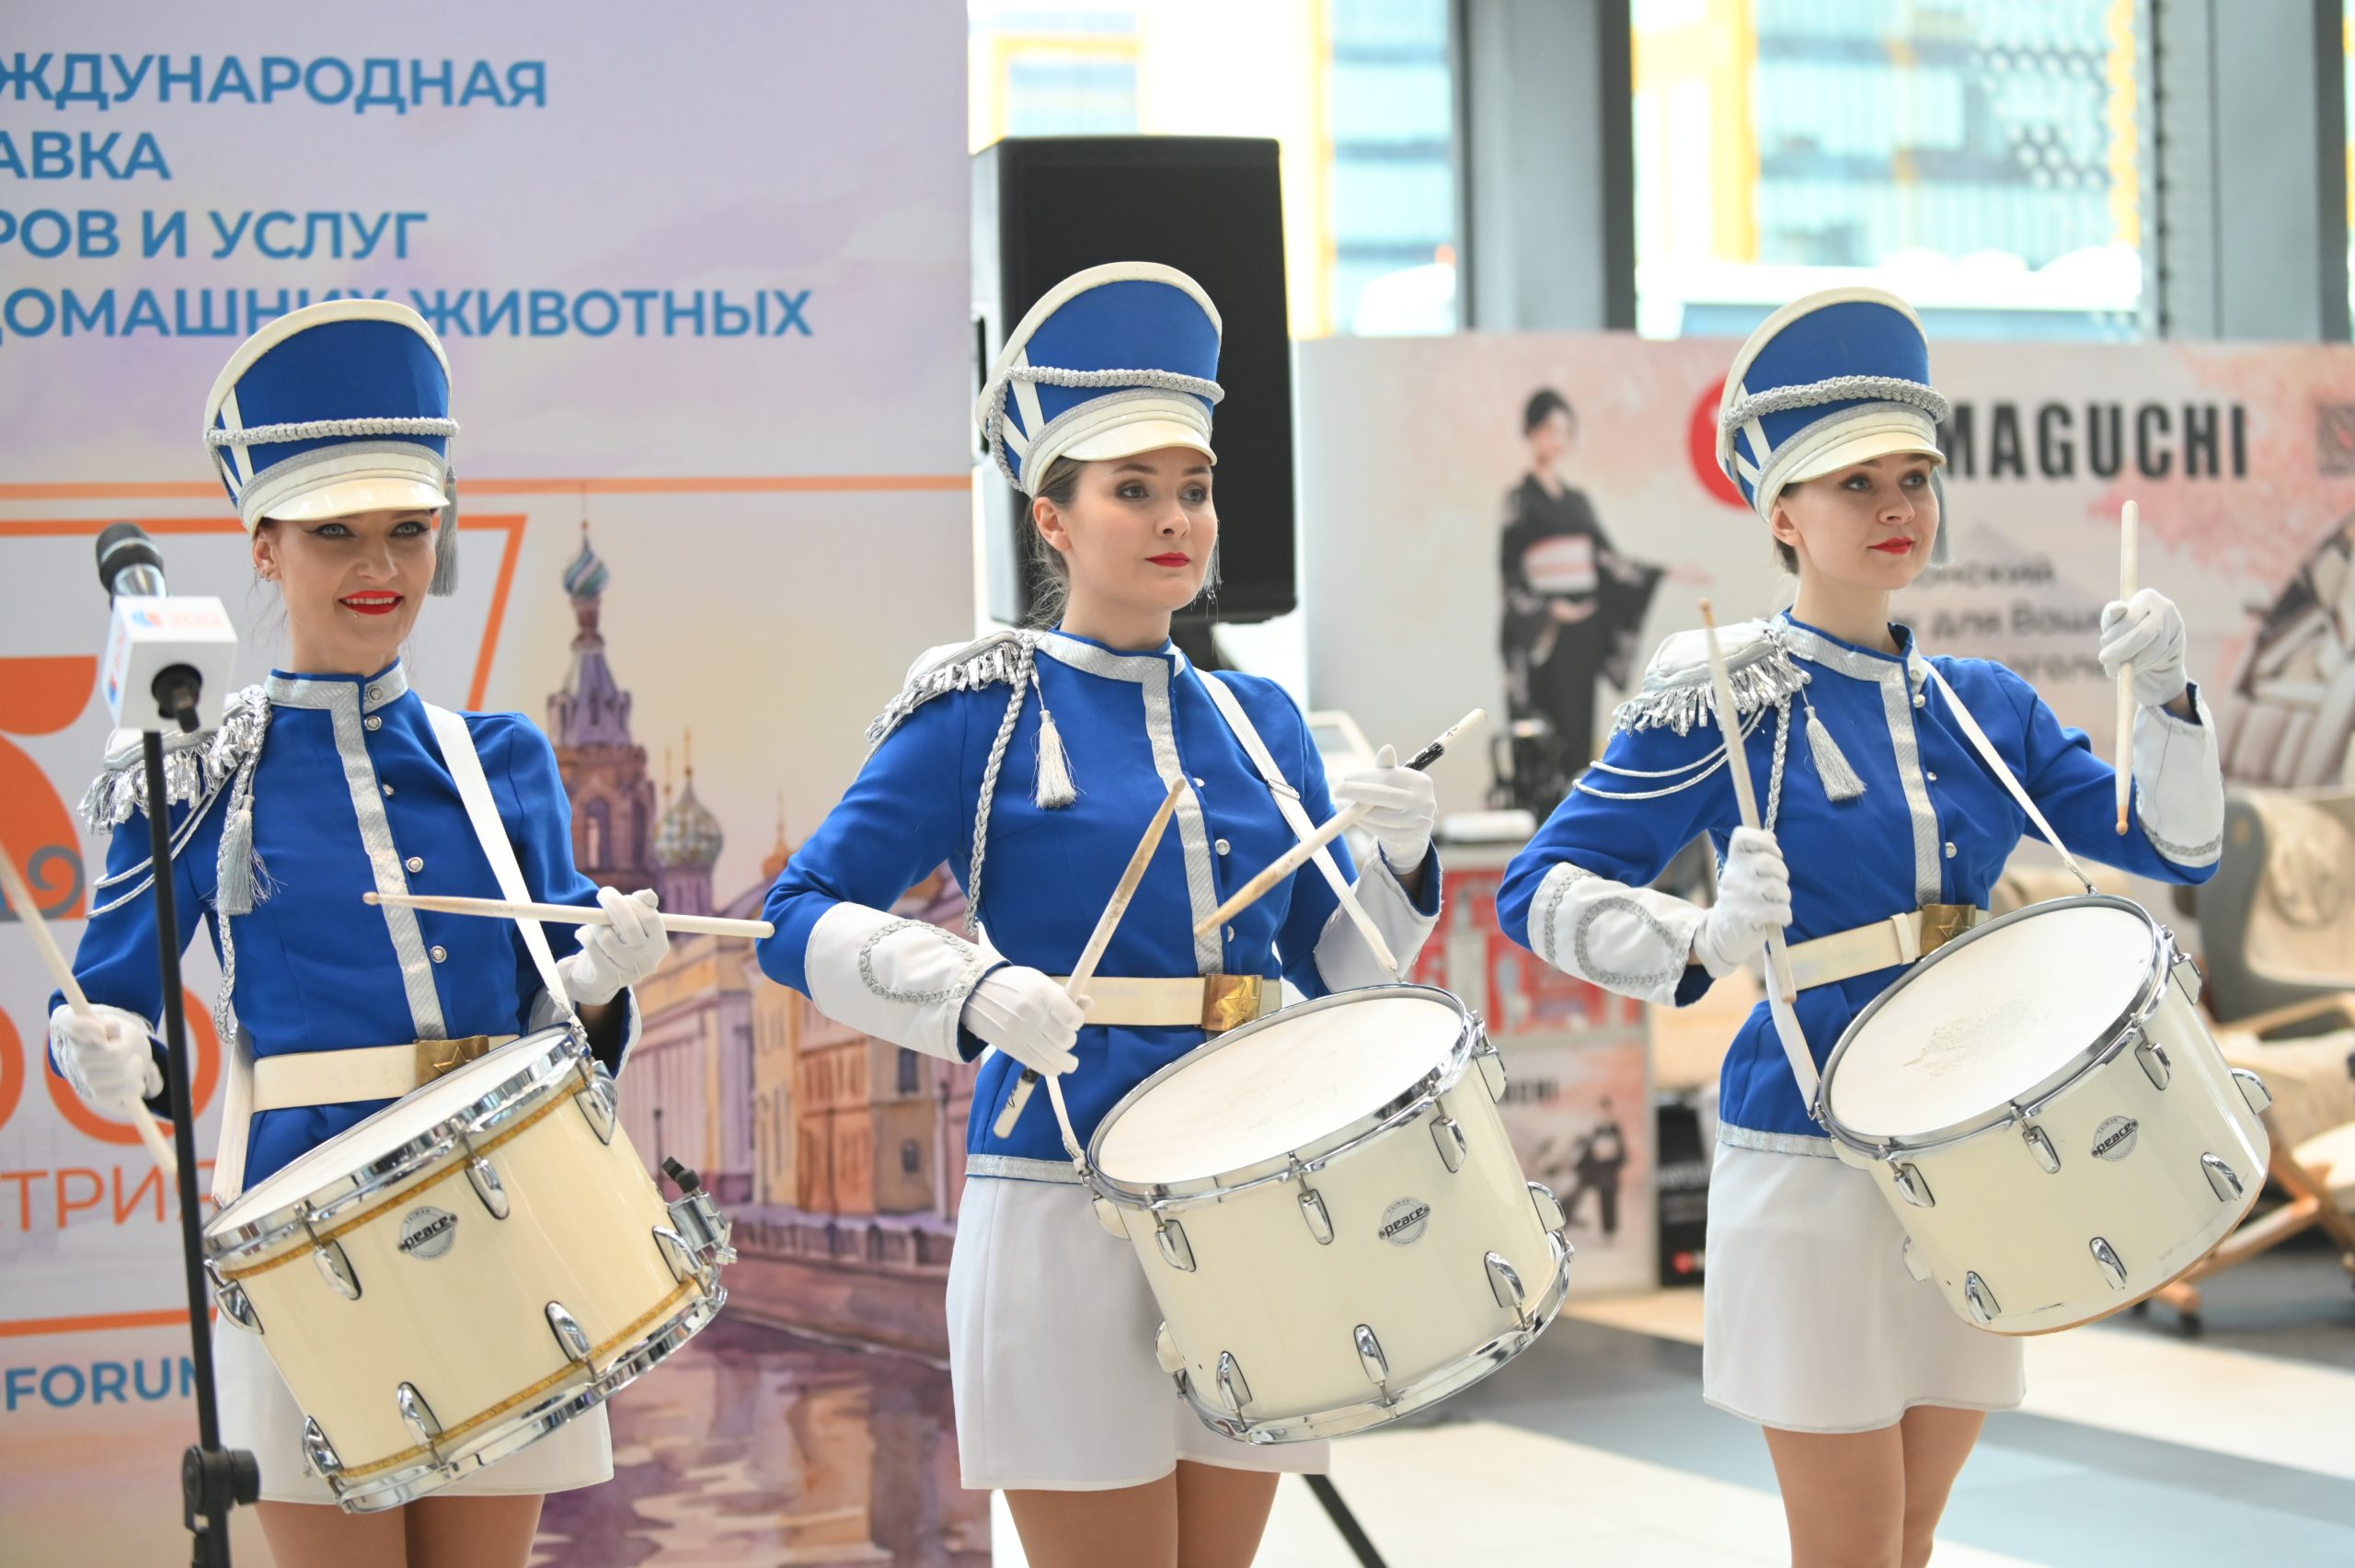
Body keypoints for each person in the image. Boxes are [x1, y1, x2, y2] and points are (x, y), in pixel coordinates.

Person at [1497, 287, 2223, 1568]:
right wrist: (1701, 937)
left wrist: (2166, 694)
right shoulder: (1726, 697)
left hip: (1982, 1150)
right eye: (1855, 484)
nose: (1897, 507)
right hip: (1812, 1147)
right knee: (1847, 1544)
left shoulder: (1986, 705)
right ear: (1781, 513)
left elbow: (2175, 846)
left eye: (1914, 478)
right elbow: (1538, 884)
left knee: (1914, 1532)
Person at [755, 262, 1442, 1568]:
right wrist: (963, 987)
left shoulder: (1260, 719)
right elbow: (799, 912)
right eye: (1133, 490)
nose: (1177, 518)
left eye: (1195, 487)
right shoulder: (978, 708)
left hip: (1256, 1190)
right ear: (1052, 519)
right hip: (1065, 1194)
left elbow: (1334, 970)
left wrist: (1401, 863)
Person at [48, 300, 670, 1568]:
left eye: (406, 528)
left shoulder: (504, 758)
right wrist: (104, 1051)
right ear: (265, 547)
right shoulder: (196, 771)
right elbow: (106, 1002)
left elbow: (558, 1014)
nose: (376, 563)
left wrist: (603, 983)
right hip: (311, 1245)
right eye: (334, 531)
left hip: (512, 1223)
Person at [1497, 388, 1662, 812]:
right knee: (1542, 736)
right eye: (1550, 429)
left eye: (1565, 431)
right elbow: (1511, 574)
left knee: (1578, 730)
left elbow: (1605, 558)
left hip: (1582, 632)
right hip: (1544, 634)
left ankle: (1574, 818)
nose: (1557, 439)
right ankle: (1540, 818)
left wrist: (1658, 572)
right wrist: (1550, 610)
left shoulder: (1578, 502)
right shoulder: (1519, 500)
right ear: (1532, 431)